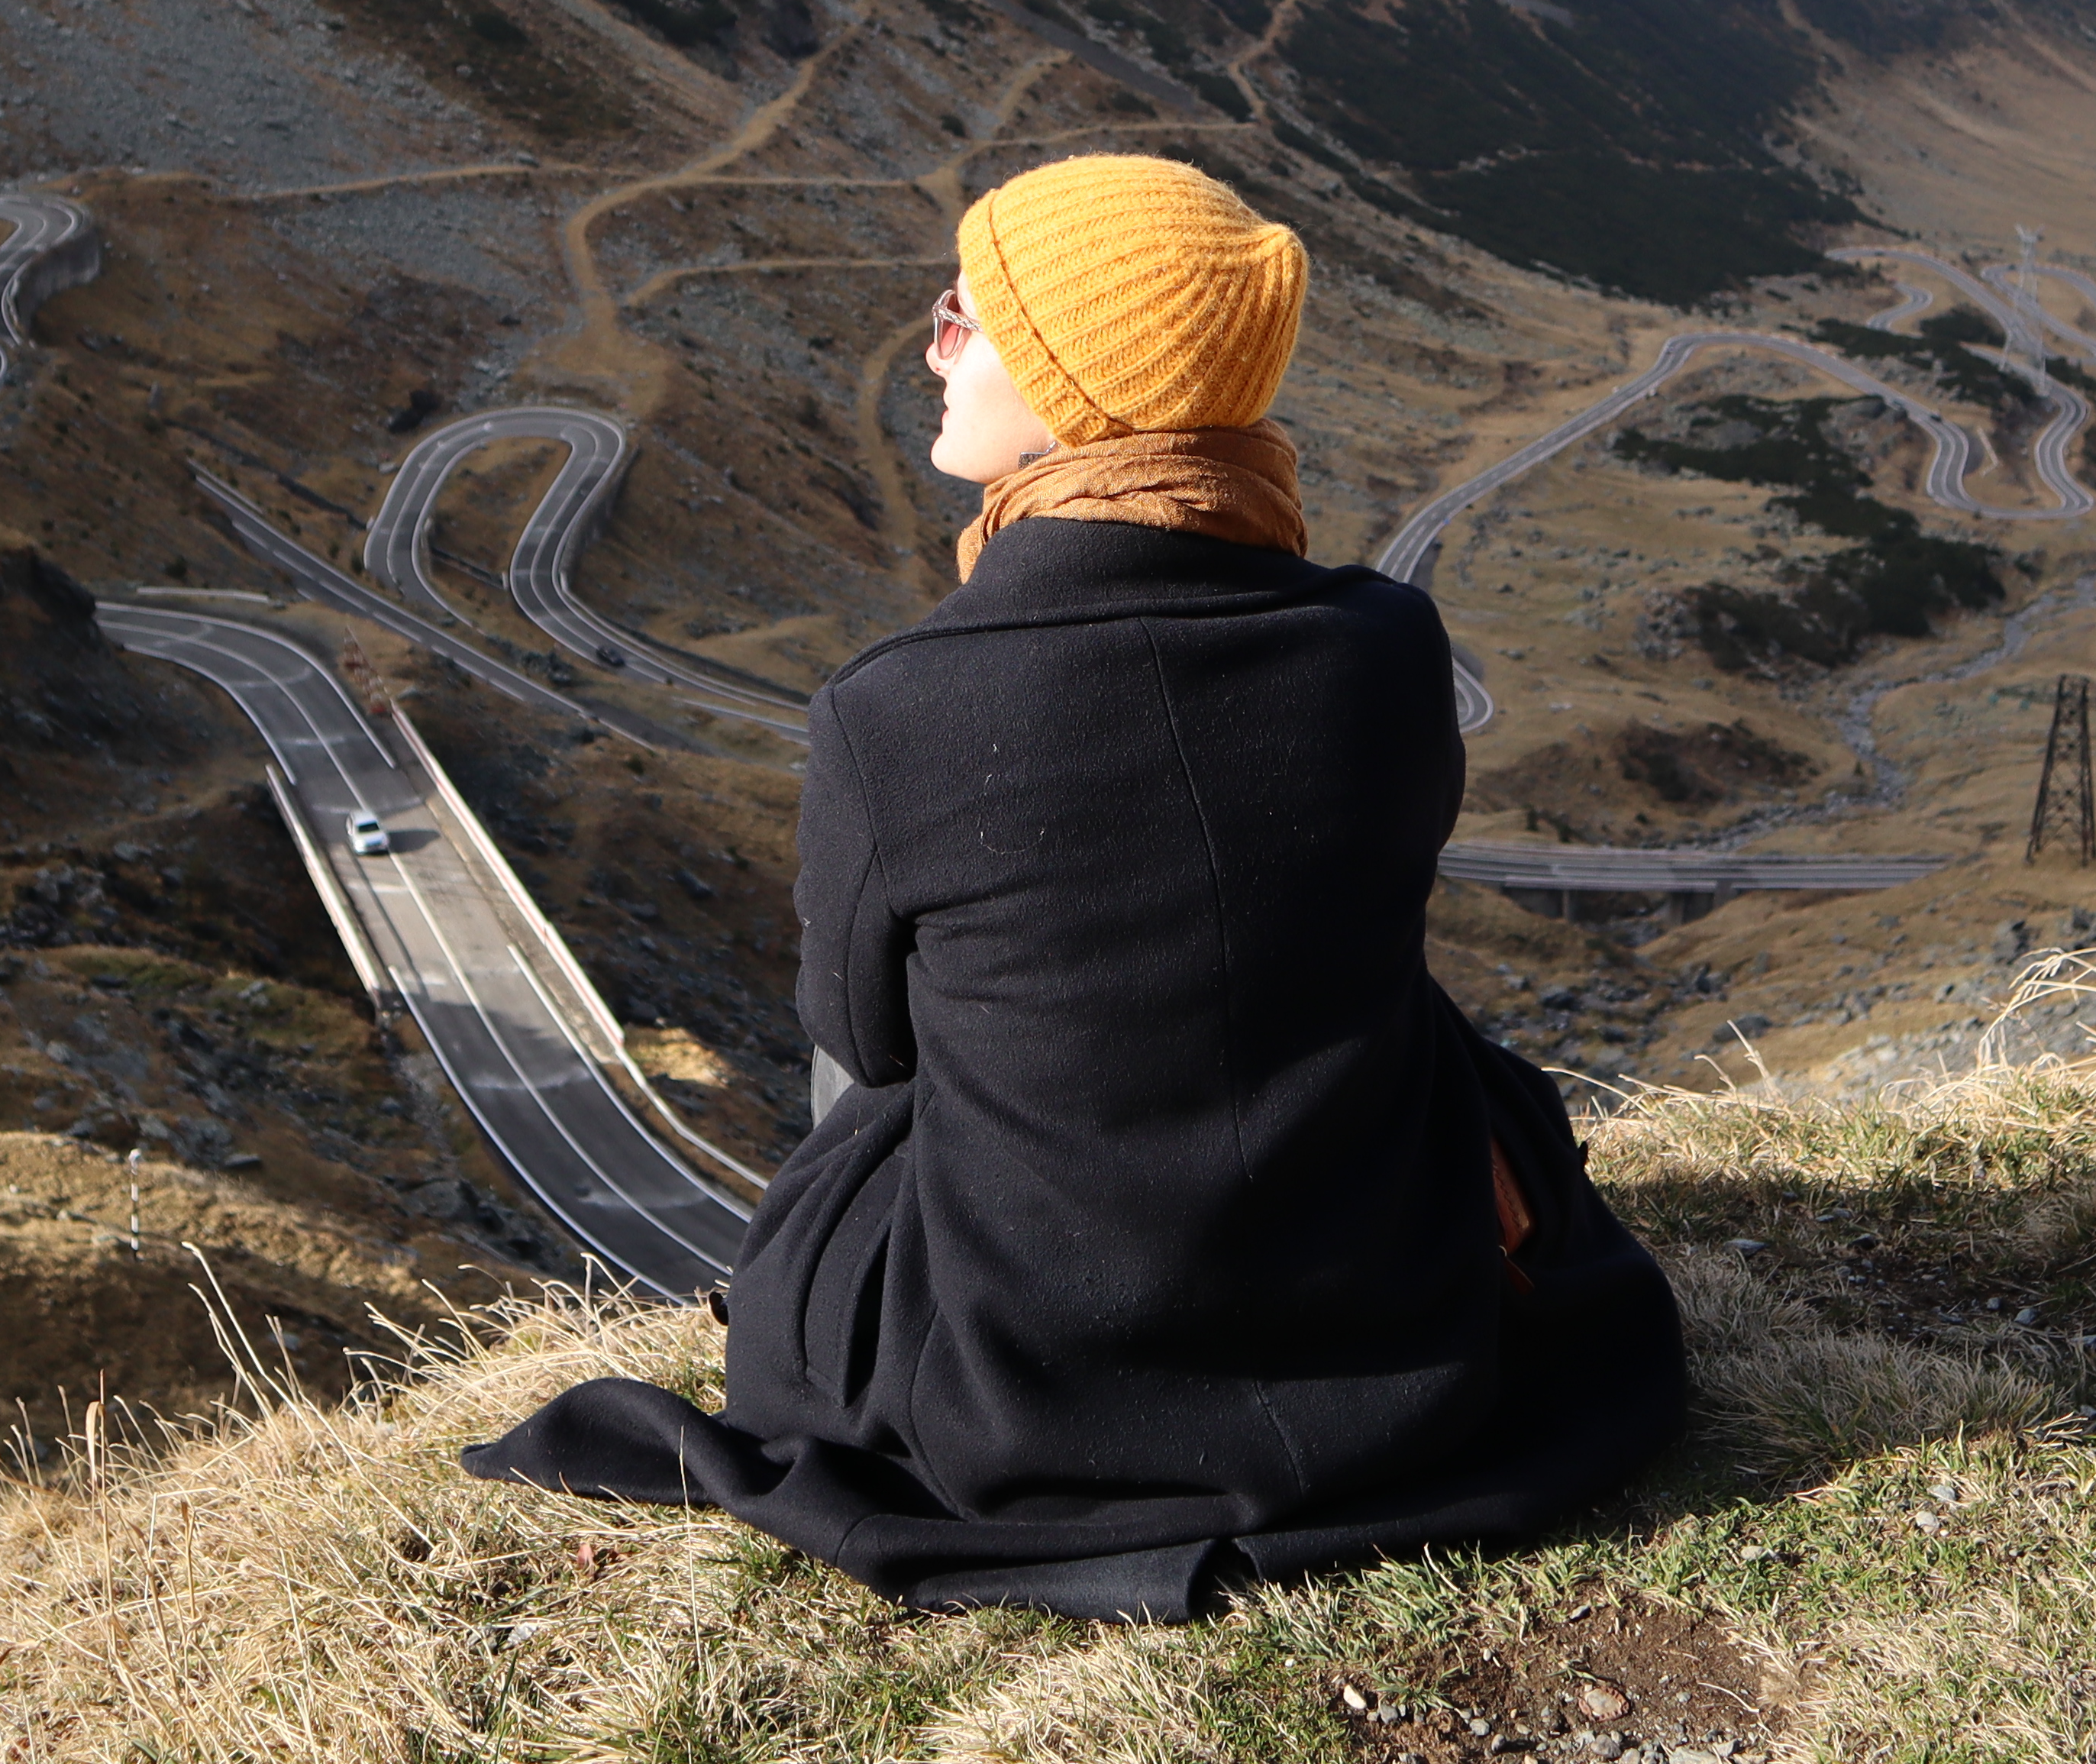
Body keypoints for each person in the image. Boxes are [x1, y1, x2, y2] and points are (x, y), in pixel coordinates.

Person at [465, 153, 1684, 1620]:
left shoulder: (896, 709)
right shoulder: (1389, 645)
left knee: (844, 1079)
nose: (932, 345)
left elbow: (870, 1045)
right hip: (1392, 1323)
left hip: (1027, 1394)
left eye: (968, 317)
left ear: (1081, 383)